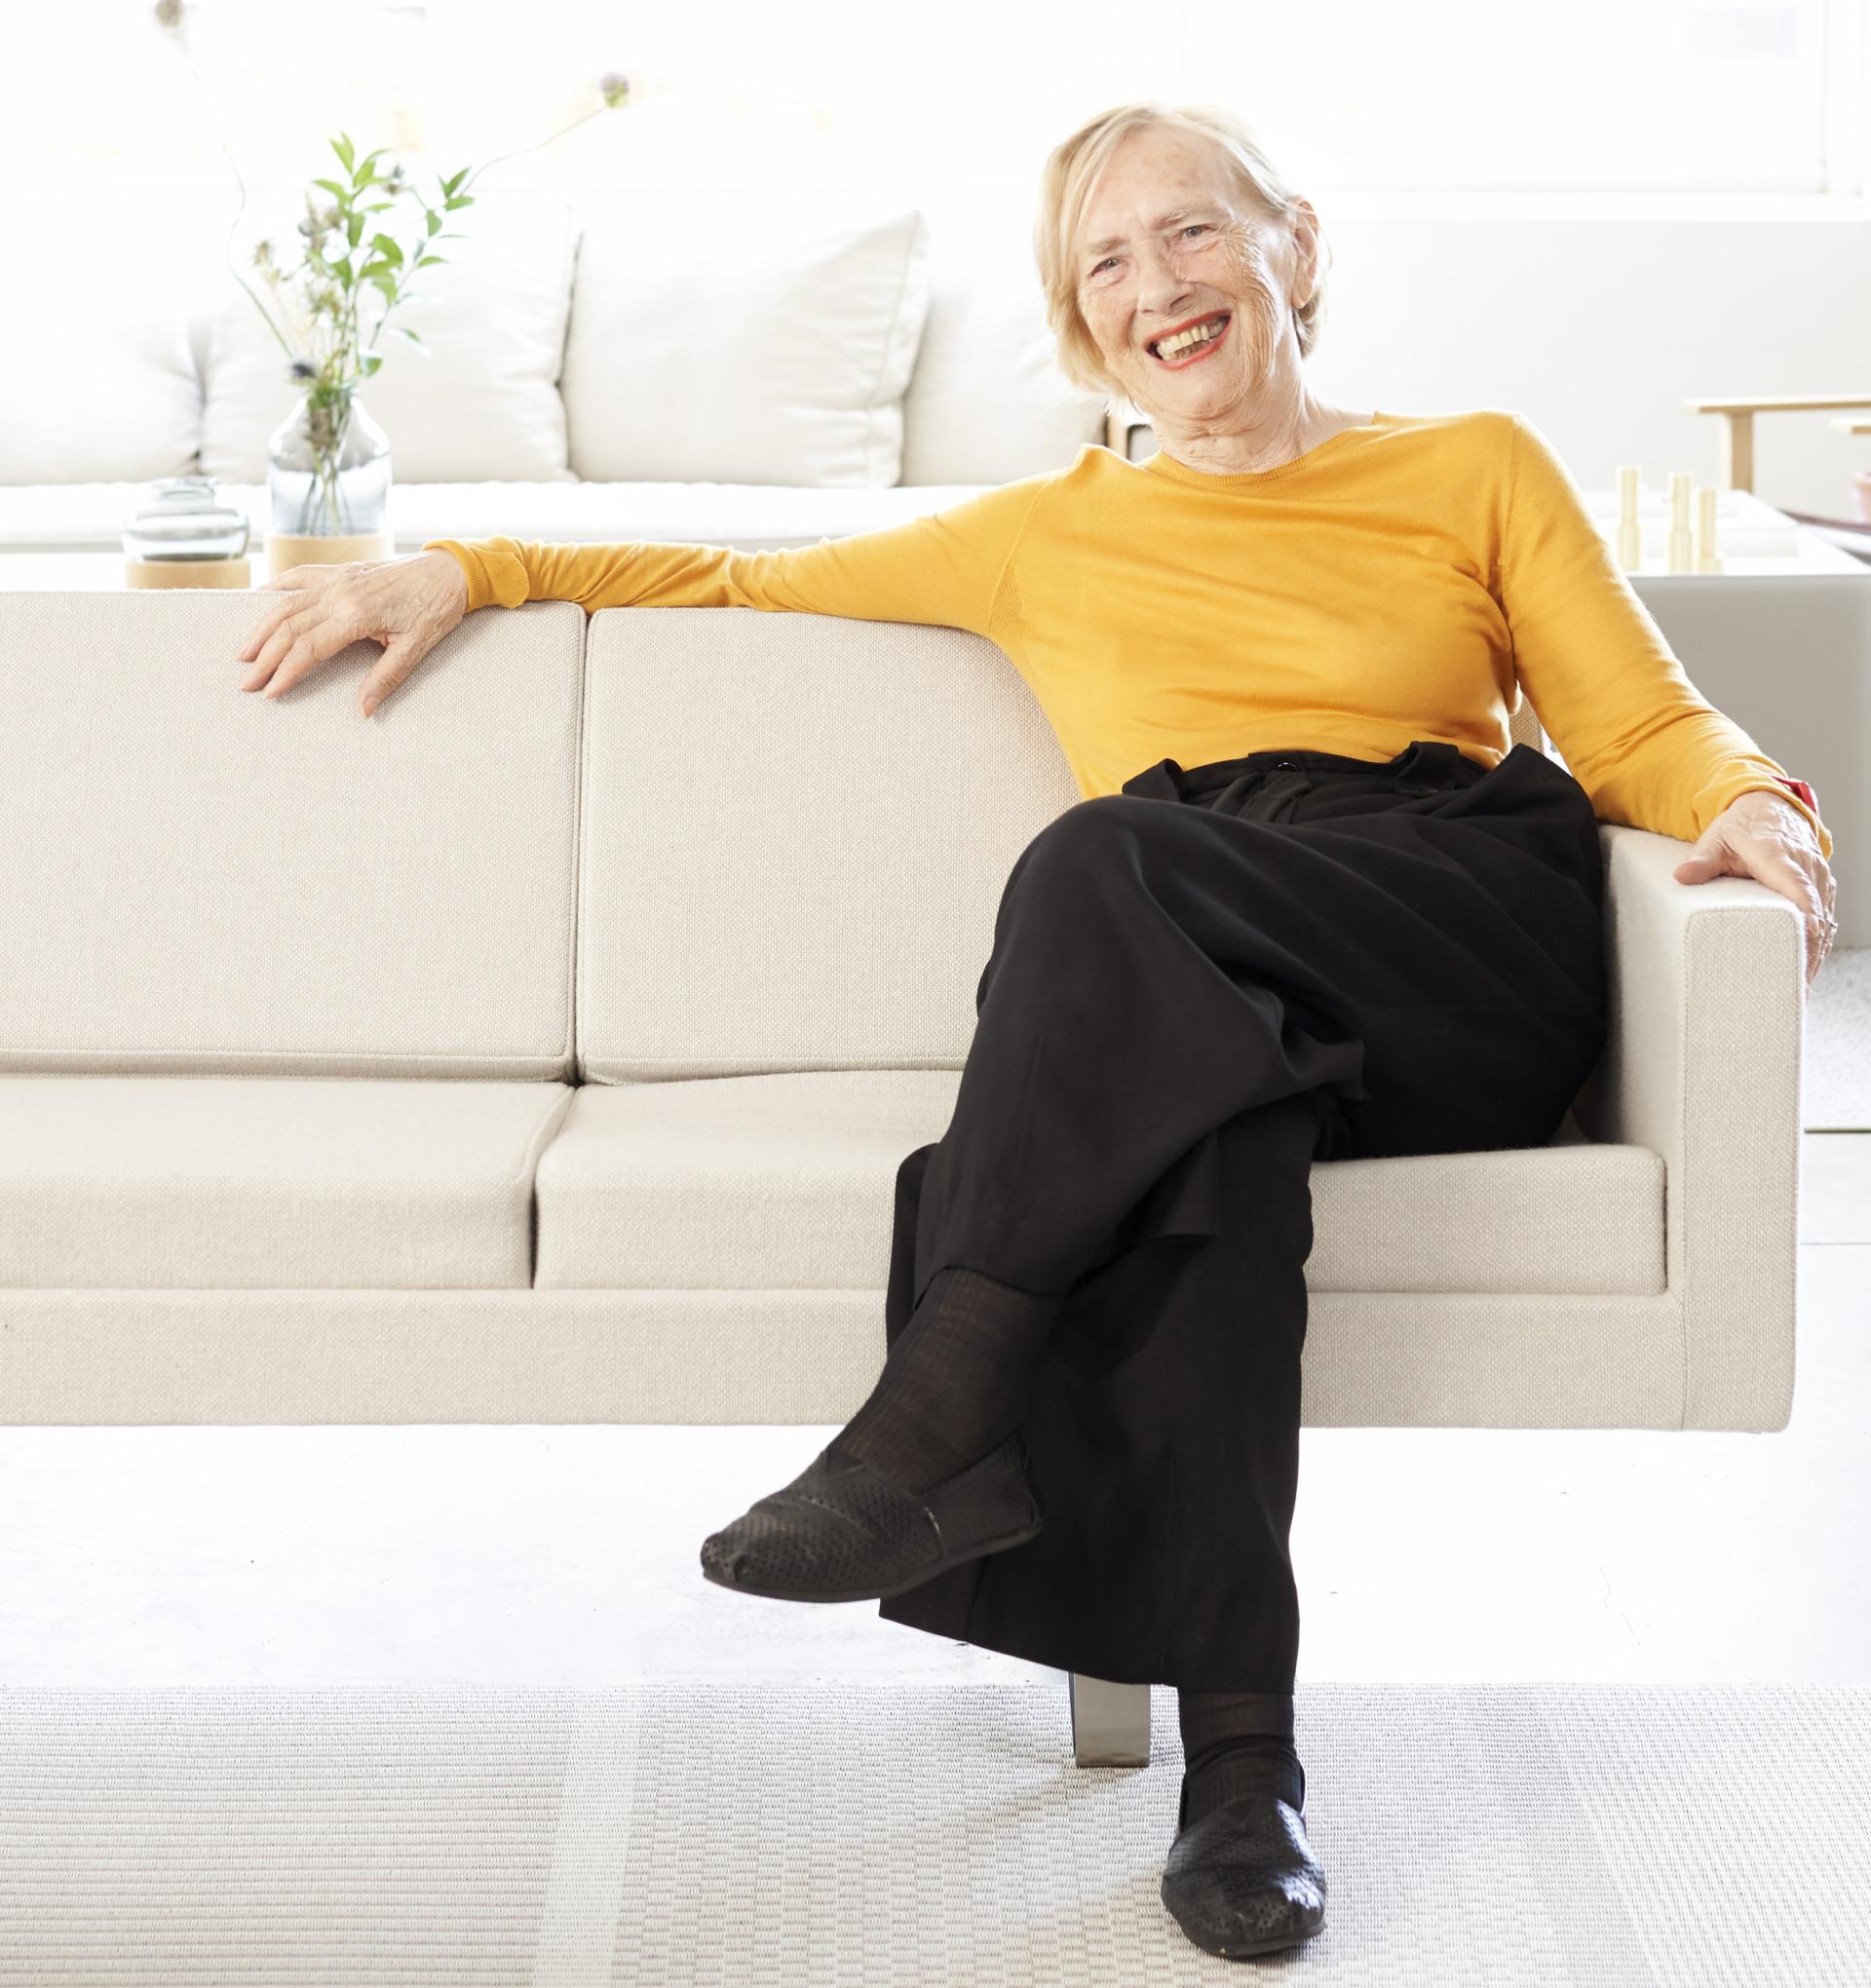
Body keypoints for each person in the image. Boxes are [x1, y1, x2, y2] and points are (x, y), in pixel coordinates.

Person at [234, 99, 1837, 1963]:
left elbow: (1638, 725)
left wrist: (1763, 805)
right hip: (1211, 984)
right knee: (1204, 1129)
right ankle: (1246, 1771)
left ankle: (936, 1415)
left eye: (1194, 235)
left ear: (1294, 250)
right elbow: (732, 577)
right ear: (1080, 334)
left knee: (1103, 865)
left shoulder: (1473, 466)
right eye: (1107, 264)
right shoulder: (1033, 537)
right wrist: (468, 566)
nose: (1159, 285)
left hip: (1447, 920)